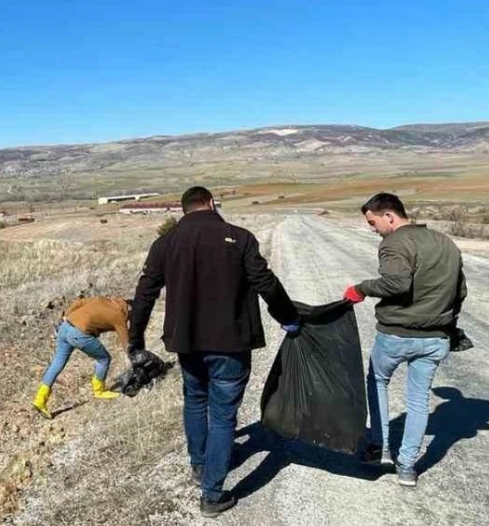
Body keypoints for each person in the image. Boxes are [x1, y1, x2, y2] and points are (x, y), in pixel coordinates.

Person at [128, 186, 299, 518]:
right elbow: (266, 282)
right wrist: (288, 318)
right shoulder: (240, 238)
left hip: (187, 343)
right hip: (231, 343)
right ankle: (212, 494)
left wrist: (135, 339)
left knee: (195, 400)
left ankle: (199, 464)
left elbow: (145, 291)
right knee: (222, 415)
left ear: (184, 209)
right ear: (210, 203)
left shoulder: (166, 243)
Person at [344, 192, 467, 488]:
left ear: (390, 216)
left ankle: (380, 447)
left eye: (373, 223)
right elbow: (460, 291)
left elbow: (396, 283)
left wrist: (360, 289)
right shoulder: (444, 242)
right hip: (436, 337)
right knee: (419, 400)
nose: (373, 229)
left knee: (378, 382)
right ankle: (408, 467)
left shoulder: (395, 242)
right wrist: (447, 322)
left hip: (397, 334)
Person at [32, 296, 128, 419]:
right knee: (104, 359)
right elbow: (126, 342)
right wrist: (135, 355)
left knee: (57, 363)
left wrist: (65, 316)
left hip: (65, 327)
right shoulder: (120, 315)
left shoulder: (102, 300)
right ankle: (99, 391)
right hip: (78, 334)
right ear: (128, 310)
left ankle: (40, 400)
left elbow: (79, 302)